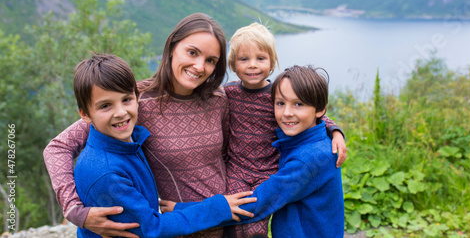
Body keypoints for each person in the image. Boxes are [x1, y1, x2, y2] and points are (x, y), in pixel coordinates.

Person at [43, 14, 346, 238]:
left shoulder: (221, 98)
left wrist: (330, 128)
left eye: (212, 60)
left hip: (231, 221)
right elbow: (58, 147)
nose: (200, 66)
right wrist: (75, 211)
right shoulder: (135, 101)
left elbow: (290, 101)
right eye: (192, 53)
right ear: (172, 47)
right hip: (176, 226)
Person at [71, 53, 256, 237]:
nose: (120, 112)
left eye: (126, 100)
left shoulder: (127, 143)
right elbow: (151, 229)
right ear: (85, 114)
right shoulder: (106, 172)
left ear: (137, 99)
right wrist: (216, 208)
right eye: (105, 106)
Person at [168, 65, 344, 237]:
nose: (287, 113)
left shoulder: (308, 160)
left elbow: (256, 205)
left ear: (320, 109)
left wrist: (181, 211)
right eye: (280, 103)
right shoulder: (308, 140)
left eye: (298, 104)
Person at [221, 23, 345, 237]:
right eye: (244, 59)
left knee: (252, 227)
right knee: (231, 227)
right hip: (238, 168)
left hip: (268, 172)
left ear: (271, 63)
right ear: (233, 64)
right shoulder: (229, 93)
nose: (252, 65)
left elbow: (314, 110)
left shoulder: (277, 97)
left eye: (260, 58)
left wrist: (335, 130)